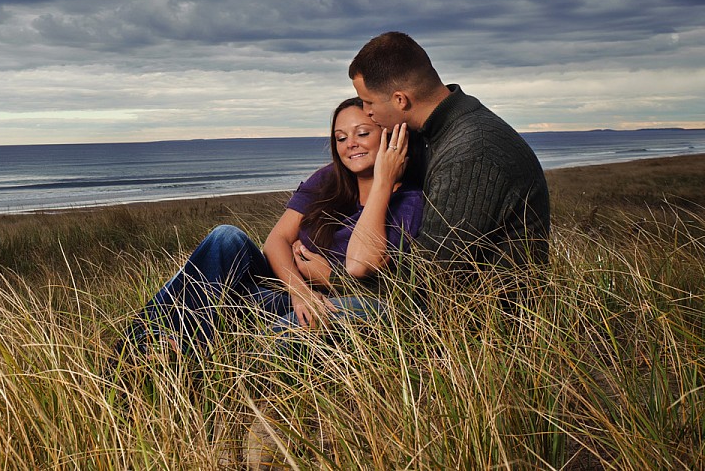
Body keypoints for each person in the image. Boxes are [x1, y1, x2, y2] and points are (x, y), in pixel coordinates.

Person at [118, 98, 423, 356]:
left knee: (278, 332)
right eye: (341, 138)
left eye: (362, 133)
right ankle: (136, 350)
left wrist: (383, 182)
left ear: (391, 137)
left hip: (331, 303)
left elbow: (359, 266)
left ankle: (183, 357)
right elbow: (276, 240)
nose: (350, 144)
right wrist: (299, 289)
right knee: (226, 237)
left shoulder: (408, 201)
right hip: (286, 291)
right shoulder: (329, 178)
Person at [348, 31, 550, 277]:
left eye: (368, 102)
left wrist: (330, 277)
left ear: (400, 100)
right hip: (441, 301)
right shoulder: (434, 133)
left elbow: (430, 276)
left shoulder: (473, 152)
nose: (365, 111)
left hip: (487, 312)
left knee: (294, 317)